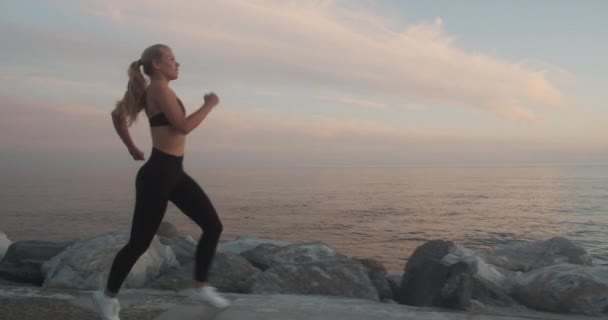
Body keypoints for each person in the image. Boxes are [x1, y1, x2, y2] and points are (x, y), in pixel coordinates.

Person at [92, 44, 229, 320]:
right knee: (139, 242)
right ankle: (107, 297)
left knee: (213, 226)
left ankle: (201, 287)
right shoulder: (158, 90)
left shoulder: (155, 91)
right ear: (156, 64)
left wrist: (132, 148)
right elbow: (183, 126)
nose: (177, 64)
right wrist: (209, 104)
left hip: (174, 172)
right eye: (172, 59)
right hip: (157, 174)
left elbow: (117, 117)